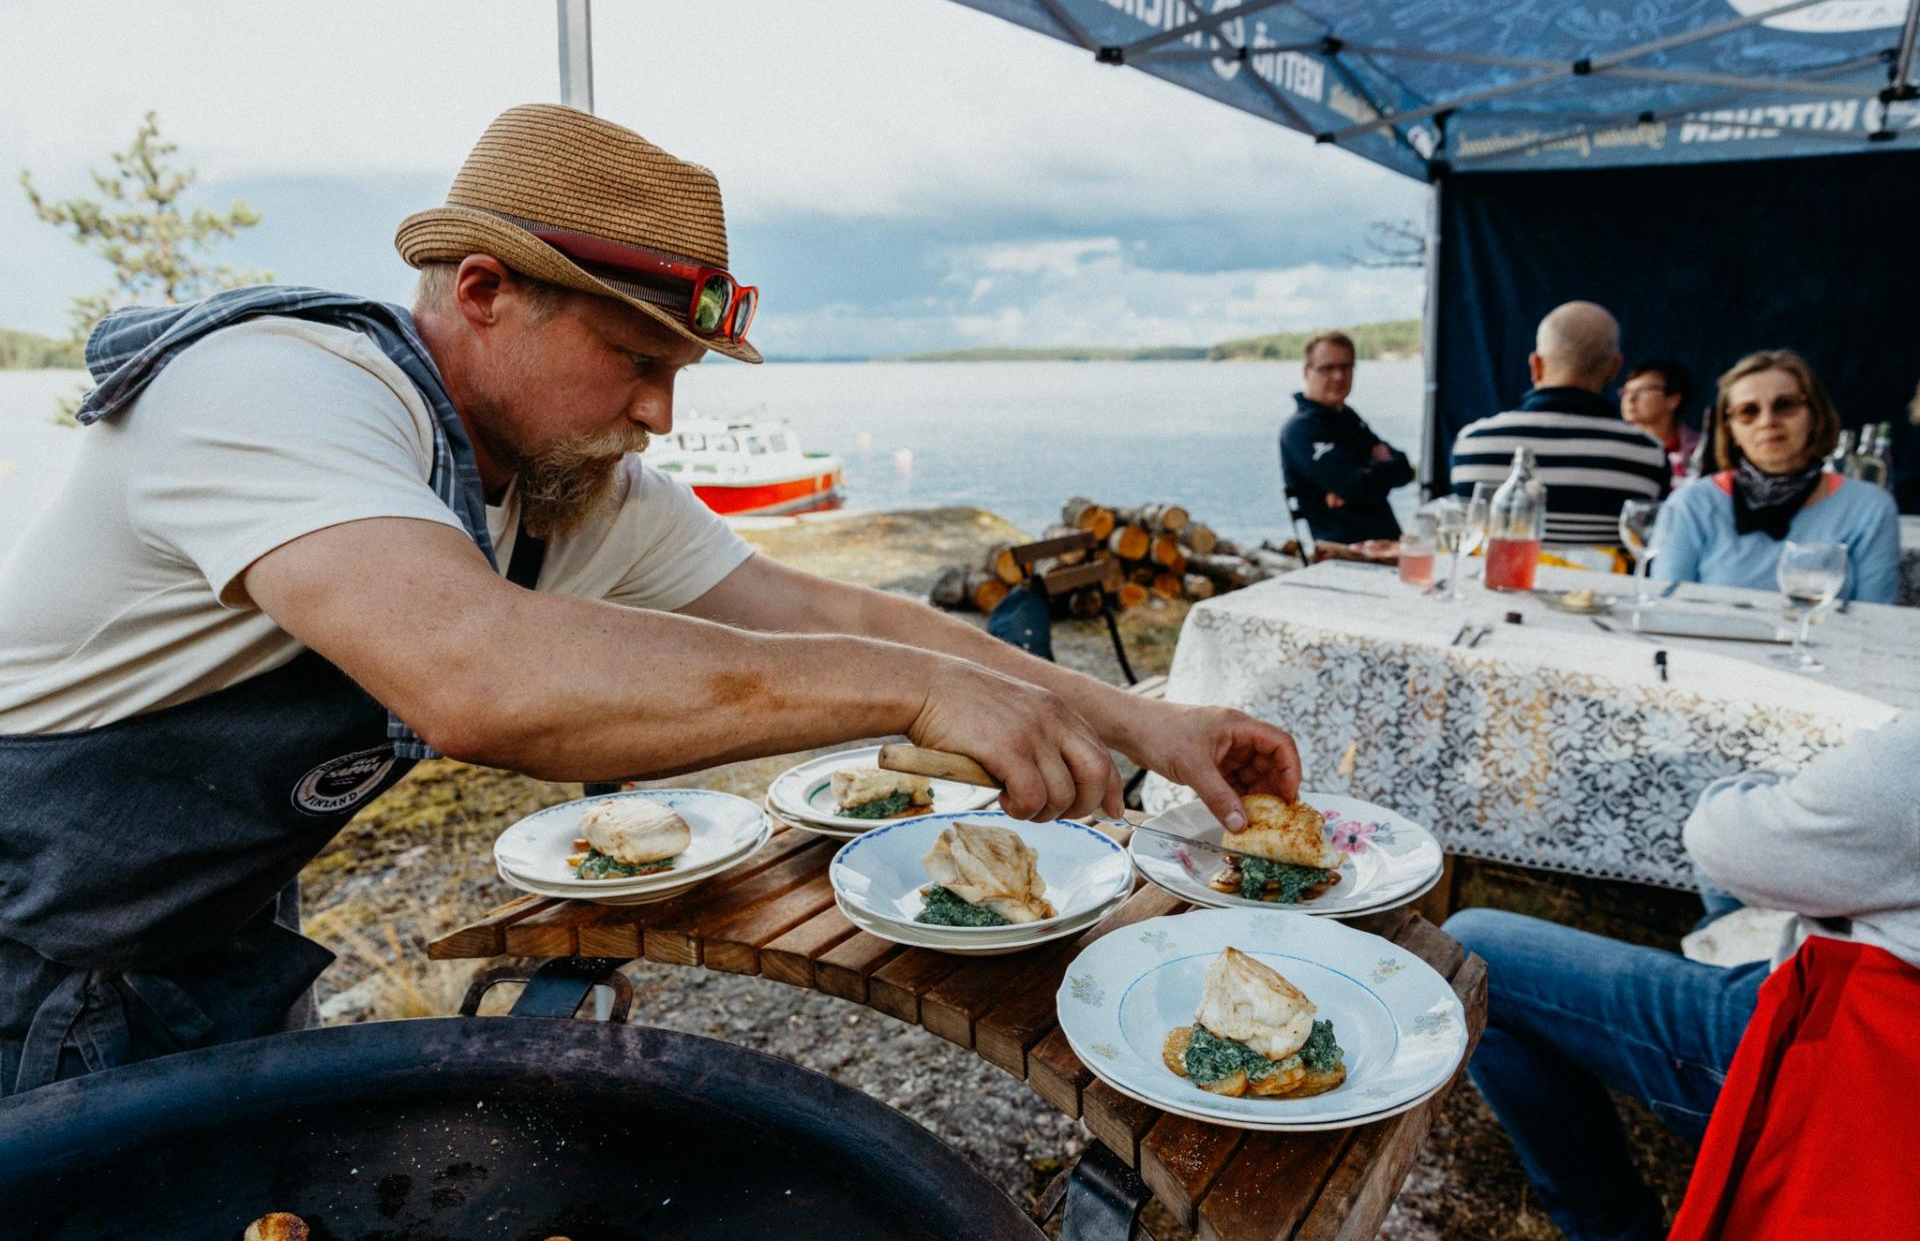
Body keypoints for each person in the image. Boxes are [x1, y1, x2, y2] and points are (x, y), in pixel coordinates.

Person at [0, 104, 1301, 1094]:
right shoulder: (289, 390)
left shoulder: (558, 484)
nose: (659, 414)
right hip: (27, 950)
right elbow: (477, 674)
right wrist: (916, 694)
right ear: (482, 290)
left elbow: (820, 615)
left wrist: (1146, 722)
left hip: (208, 936)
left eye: (679, 371)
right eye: (635, 358)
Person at [1446, 712, 1920, 1241]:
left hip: (1850, 1059)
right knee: (1721, 819)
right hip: (1874, 985)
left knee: (1472, 952)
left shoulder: (1909, 761)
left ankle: (1610, 1232)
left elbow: (1720, 837)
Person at [1651, 349, 1899, 604]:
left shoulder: (1870, 508)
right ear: (1731, 429)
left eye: (1785, 405)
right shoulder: (1690, 504)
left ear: (1814, 414)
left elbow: (1875, 616)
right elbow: (1664, 605)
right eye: (1748, 411)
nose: (1767, 421)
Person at [1449, 301, 1668, 549]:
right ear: (1615, 367)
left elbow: (1462, 545)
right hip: (1597, 588)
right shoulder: (1648, 455)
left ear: (1536, 365)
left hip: (1494, 586)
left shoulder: (1473, 442)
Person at [1277, 330, 1413, 543]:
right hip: (1344, 556)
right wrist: (1373, 469)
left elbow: (1404, 470)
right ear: (1307, 372)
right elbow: (1355, 485)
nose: (1338, 376)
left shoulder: (1348, 418)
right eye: (1327, 368)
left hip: (1388, 546)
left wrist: (1365, 476)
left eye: (1345, 367)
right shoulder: (1300, 430)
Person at [1617, 358, 1702, 481]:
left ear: (1673, 400)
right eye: (1626, 391)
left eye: (1643, 391)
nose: (1630, 398)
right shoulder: (1615, 448)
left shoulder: (1699, 451)